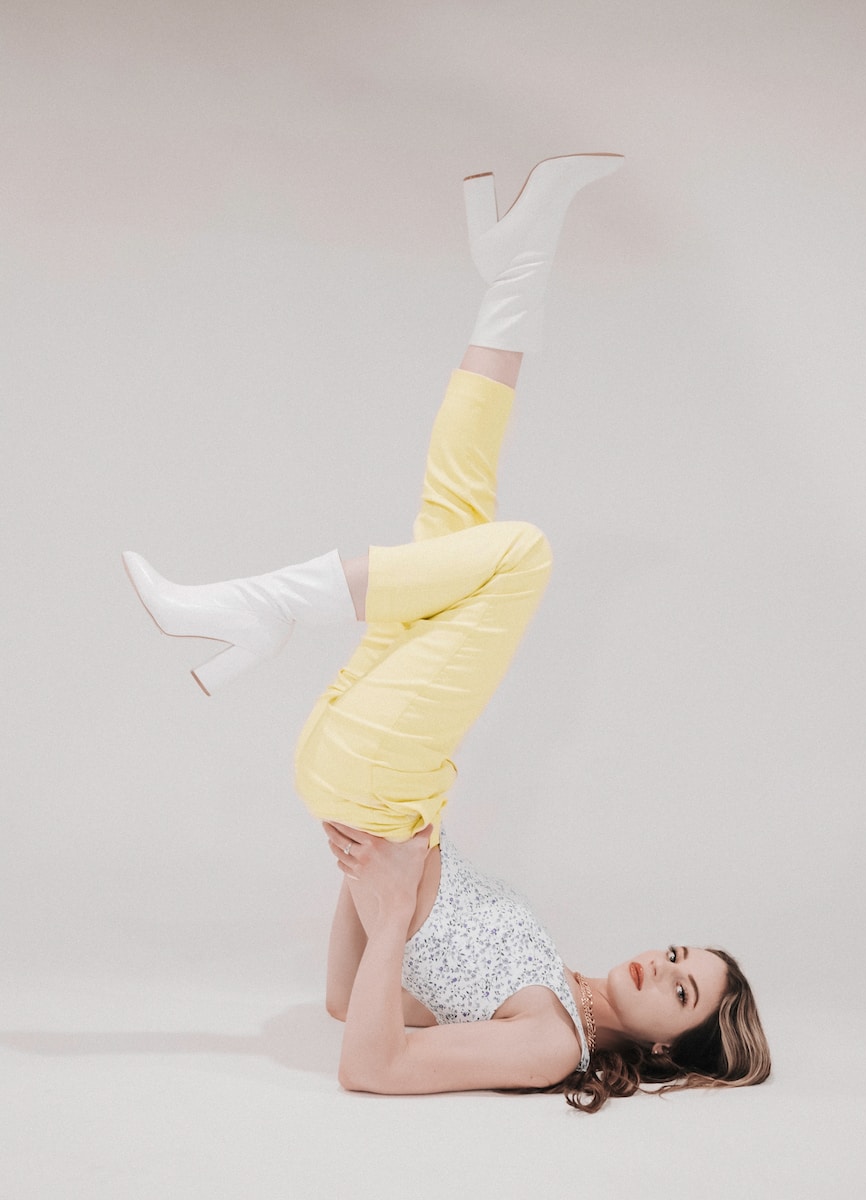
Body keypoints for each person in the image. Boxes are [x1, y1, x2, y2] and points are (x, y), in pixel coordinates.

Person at [122, 153, 771, 1111]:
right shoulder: (553, 969)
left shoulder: (553, 1045)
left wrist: (391, 916)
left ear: (678, 1048)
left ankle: (267, 606)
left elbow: (371, 1068)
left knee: (522, 556)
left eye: (682, 992)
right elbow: (347, 1004)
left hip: (383, 780)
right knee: (458, 520)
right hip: (383, 785)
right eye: (678, 954)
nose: (660, 967)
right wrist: (376, 885)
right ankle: (517, 270)